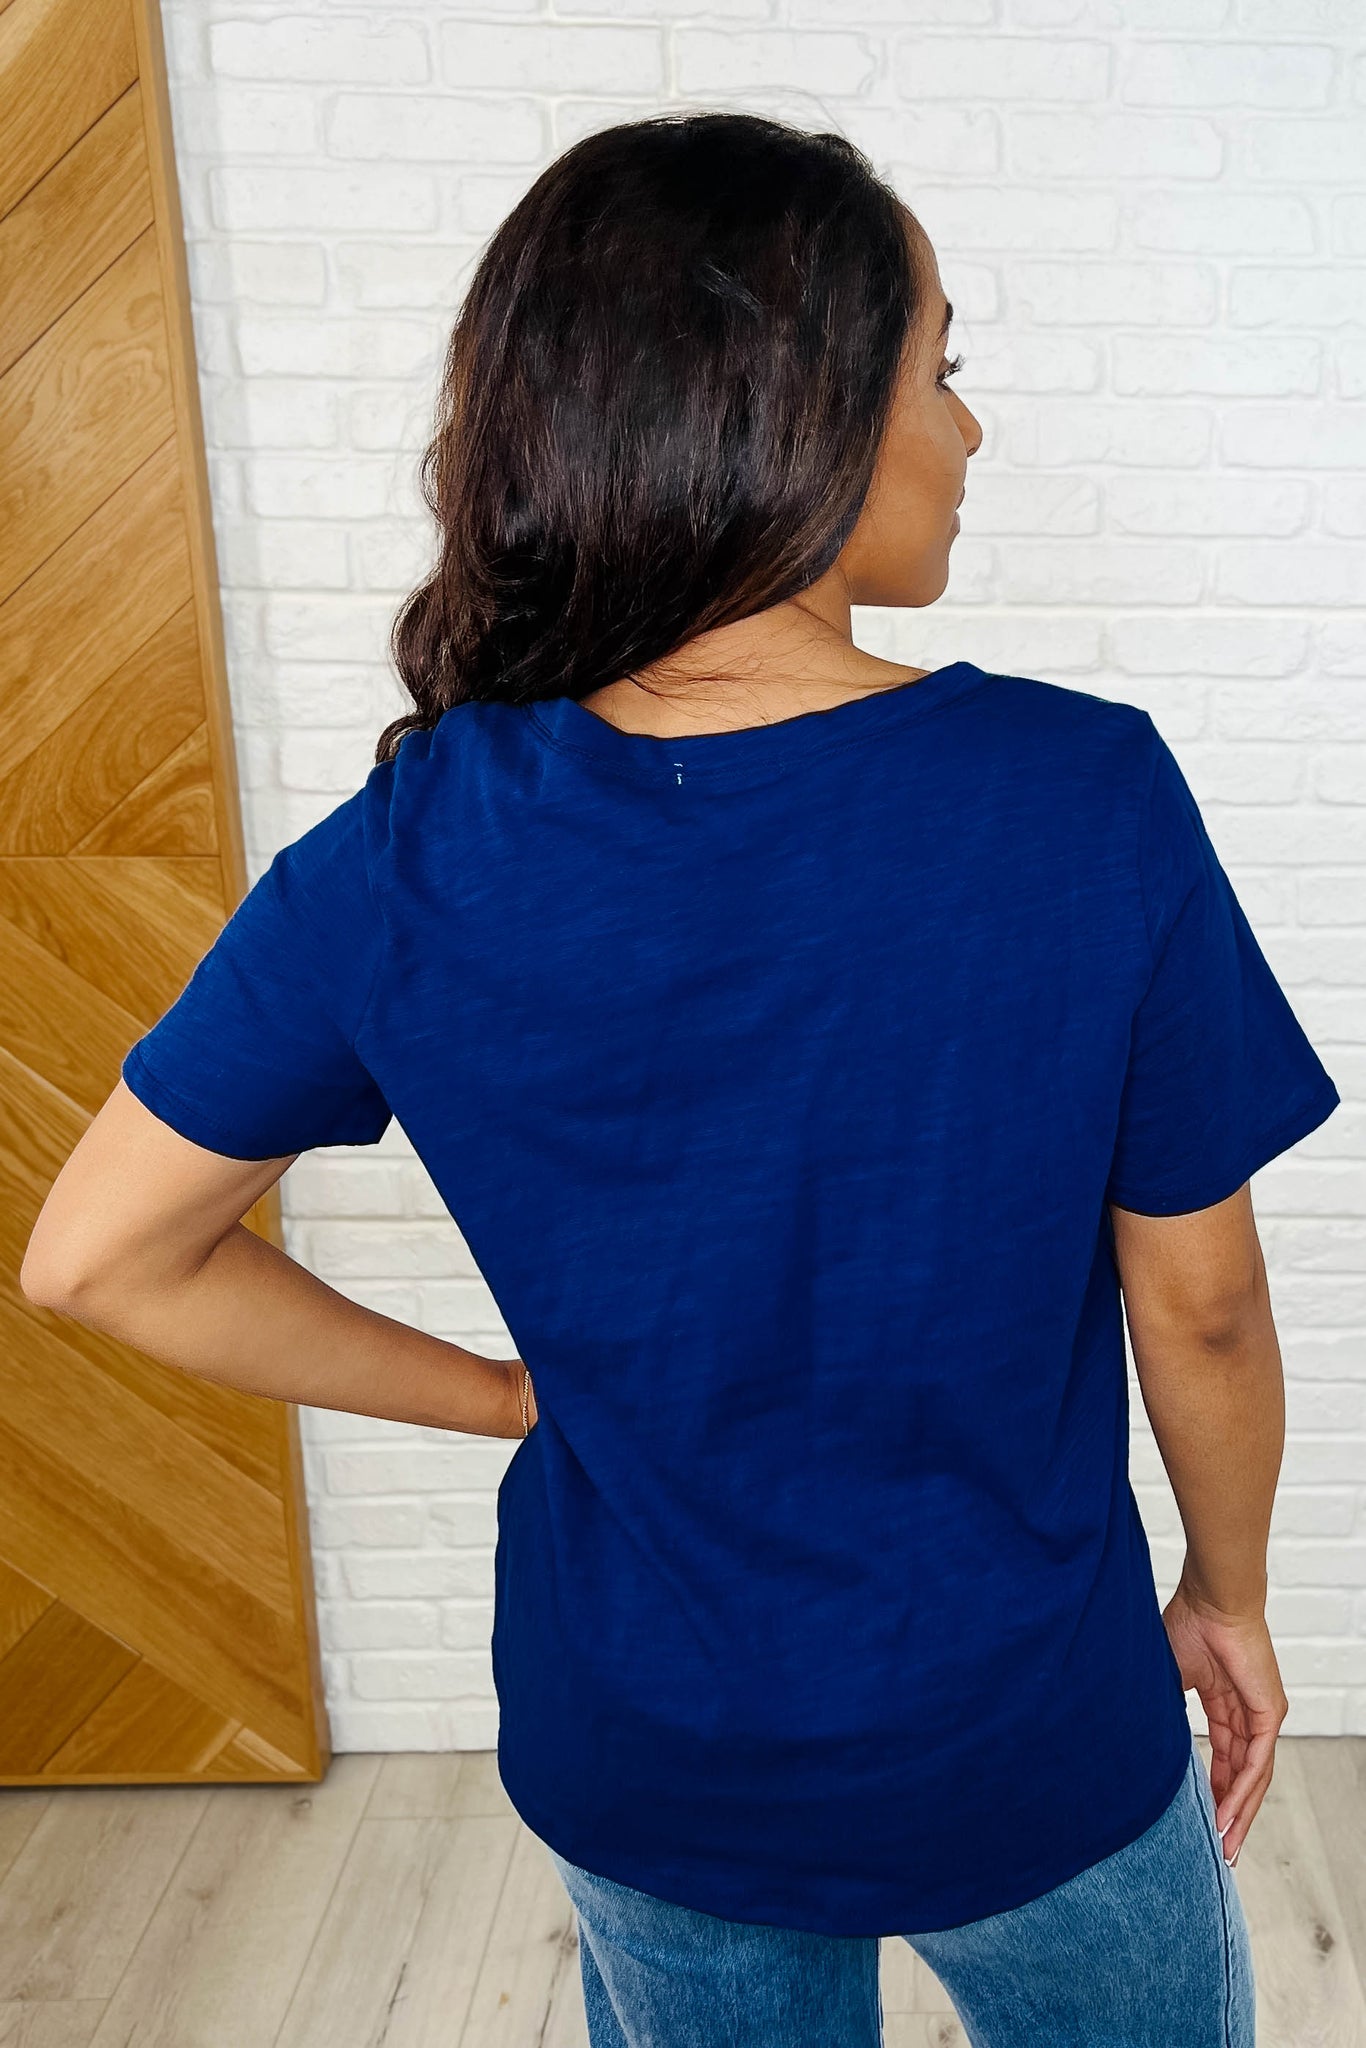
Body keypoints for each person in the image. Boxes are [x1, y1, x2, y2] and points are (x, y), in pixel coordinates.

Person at [22, 112, 1339, 2048]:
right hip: (1018, 1729)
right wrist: (1223, 1595)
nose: (969, 429)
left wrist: (502, 1397)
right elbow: (1200, 1305)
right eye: (941, 369)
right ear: (794, 412)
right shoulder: (1079, 796)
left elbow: (94, 1259)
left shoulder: (404, 849)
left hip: (642, 1743)